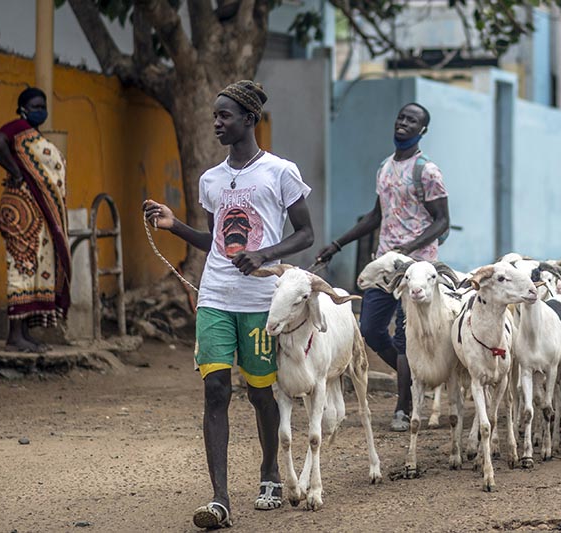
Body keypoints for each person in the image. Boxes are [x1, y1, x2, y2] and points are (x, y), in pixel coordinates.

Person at [143, 80, 314, 529]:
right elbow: (215, 242)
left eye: (225, 116)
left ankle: (271, 472)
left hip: (261, 302)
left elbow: (305, 233)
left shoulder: (280, 172)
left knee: (261, 392)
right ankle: (219, 498)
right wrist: (174, 225)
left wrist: (264, 255)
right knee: (215, 390)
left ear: (249, 120)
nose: (217, 122)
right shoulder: (211, 179)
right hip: (215, 297)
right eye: (215, 116)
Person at [315, 103, 449, 432]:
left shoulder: (427, 171)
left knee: (405, 338)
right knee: (370, 330)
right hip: (384, 265)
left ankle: (403, 406)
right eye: (401, 117)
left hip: (417, 268)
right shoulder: (385, 168)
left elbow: (443, 221)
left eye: (412, 120)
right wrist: (337, 244)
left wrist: (411, 247)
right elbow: (376, 216)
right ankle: (413, 376)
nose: (404, 123)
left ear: (423, 130)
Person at [0, 87, 71, 353]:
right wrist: (16, 173)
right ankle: (14, 336)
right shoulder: (17, 127)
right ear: (23, 108)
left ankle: (23, 333)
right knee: (21, 265)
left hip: (37, 212)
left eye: (43, 105)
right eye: (35, 105)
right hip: (21, 209)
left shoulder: (32, 134)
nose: (40, 110)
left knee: (33, 268)